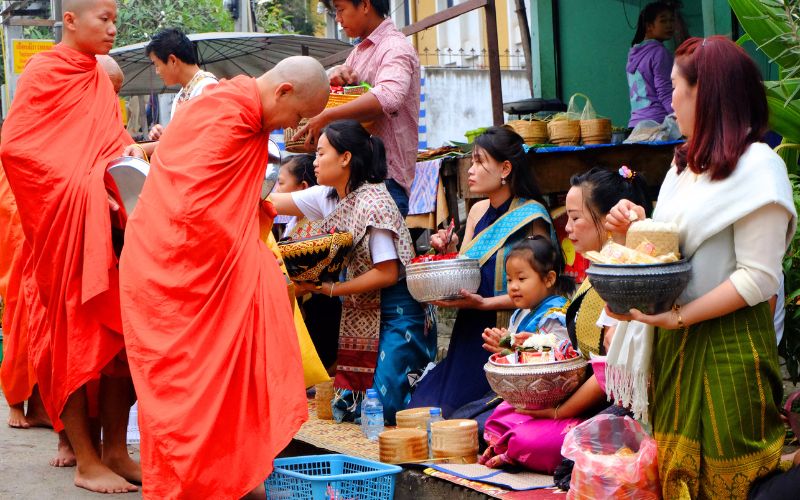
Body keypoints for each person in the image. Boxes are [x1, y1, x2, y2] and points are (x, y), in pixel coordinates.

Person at [119, 56, 329, 499]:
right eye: (299, 115)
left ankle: (236, 475)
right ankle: (194, 483)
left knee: (238, 371)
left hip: (206, 268)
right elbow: (191, 207)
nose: (296, 127)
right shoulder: (225, 113)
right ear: (284, 92)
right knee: (186, 394)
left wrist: (253, 221)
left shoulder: (244, 116)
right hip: (176, 273)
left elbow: (226, 195)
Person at [606, 36, 796, 498]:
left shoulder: (758, 167)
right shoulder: (683, 169)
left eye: (676, 88)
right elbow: (674, 250)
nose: (668, 99)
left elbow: (758, 277)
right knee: (677, 472)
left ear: (706, 94)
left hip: (727, 347)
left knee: (731, 478)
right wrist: (634, 229)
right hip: (675, 346)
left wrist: (678, 317)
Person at [0, 0, 144, 494]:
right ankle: (85, 460)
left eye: (114, 20)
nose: (111, 28)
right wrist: (86, 187)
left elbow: (110, 142)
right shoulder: (44, 71)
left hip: (108, 230)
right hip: (65, 234)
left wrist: (131, 158)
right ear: (69, 20)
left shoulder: (96, 80)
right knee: (74, 341)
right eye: (103, 19)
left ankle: (116, 451)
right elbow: (19, 149)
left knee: (120, 343)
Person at [479, 167, 654, 476]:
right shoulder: (593, 275)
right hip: (577, 401)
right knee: (496, 419)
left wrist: (557, 411)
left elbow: (606, 373)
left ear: (605, 219)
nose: (568, 228)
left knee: (520, 436)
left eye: (576, 218)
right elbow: (576, 349)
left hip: (605, 405)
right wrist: (531, 346)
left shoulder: (621, 276)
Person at [270, 120, 434, 424]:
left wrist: (332, 290)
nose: (314, 162)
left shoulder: (374, 202)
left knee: (383, 409)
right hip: (362, 309)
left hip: (398, 311)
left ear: (345, 158)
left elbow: (386, 273)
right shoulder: (328, 196)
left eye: (321, 153)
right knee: (353, 408)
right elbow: (272, 202)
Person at [408, 127, 556, 417]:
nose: (470, 169)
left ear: (505, 168)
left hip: (506, 332)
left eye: (479, 161)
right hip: (469, 327)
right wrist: (445, 251)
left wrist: (486, 303)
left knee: (463, 415)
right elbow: (466, 270)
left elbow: (542, 292)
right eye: (471, 161)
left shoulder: (531, 216)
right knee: (423, 410)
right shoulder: (476, 212)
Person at [297, 0, 420, 217]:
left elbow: (389, 98)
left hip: (384, 181)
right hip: (357, 181)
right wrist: (337, 80)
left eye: (340, 9)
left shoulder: (395, 47)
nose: (338, 19)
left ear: (364, 5)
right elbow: (353, 102)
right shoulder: (358, 53)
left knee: (380, 252)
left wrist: (326, 116)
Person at [478, 236, 575, 473]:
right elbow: (515, 353)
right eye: (509, 279)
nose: (513, 286)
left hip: (549, 397)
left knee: (489, 425)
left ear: (549, 278)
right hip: (523, 395)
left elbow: (560, 357)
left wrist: (518, 350)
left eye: (522, 279)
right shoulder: (519, 315)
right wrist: (506, 350)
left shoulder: (557, 316)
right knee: (476, 420)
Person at [140, 28, 218, 156]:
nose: (157, 71)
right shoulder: (183, 93)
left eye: (157, 64)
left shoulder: (207, 88)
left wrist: (142, 148)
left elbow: (199, 143)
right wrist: (165, 136)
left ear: (172, 60)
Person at [627, 1, 675, 128]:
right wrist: (679, 119)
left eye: (672, 20)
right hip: (658, 125)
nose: (669, 25)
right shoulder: (660, 53)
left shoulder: (633, 54)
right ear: (649, 26)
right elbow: (665, 92)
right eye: (663, 21)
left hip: (635, 125)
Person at [275, 153, 317, 237]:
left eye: (281, 183)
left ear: (303, 187)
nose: (276, 190)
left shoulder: (315, 228)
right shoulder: (293, 223)